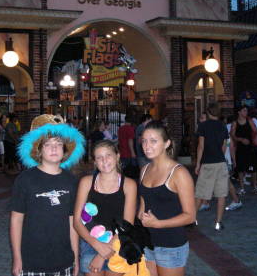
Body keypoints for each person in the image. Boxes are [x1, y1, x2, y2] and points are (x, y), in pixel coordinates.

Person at [10, 114, 86, 276]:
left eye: (58, 144)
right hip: (32, 261)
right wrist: (17, 257)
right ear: (39, 150)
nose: (54, 148)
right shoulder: (25, 180)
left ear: (64, 150)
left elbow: (73, 221)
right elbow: (16, 219)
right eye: (47, 145)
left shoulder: (71, 181)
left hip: (63, 260)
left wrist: (75, 258)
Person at [139, 121, 195, 276]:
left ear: (166, 143)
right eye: (144, 141)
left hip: (171, 244)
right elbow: (143, 205)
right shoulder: (144, 170)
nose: (147, 145)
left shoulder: (179, 173)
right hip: (148, 243)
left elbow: (190, 216)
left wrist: (158, 224)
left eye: (153, 141)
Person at [74, 140, 137, 275]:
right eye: (99, 157)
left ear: (117, 156)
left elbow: (127, 225)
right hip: (90, 242)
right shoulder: (86, 182)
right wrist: (97, 245)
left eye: (108, 155)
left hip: (118, 243)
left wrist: (102, 255)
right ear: (95, 162)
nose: (104, 160)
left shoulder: (129, 184)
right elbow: (77, 221)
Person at [194, 103, 229, 230]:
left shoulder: (203, 126)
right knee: (221, 194)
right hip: (221, 163)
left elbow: (201, 146)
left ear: (208, 113)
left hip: (208, 163)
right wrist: (220, 156)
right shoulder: (223, 126)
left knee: (200, 194)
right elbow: (224, 146)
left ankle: (192, 219)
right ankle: (218, 222)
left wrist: (198, 164)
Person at [231, 105, 257, 195]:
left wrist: (254, 135)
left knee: (253, 169)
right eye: (244, 111)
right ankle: (242, 188)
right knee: (240, 169)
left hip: (250, 148)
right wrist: (241, 139)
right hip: (240, 148)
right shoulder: (235, 123)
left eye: (246, 111)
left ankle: (254, 187)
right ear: (239, 112)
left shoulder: (249, 121)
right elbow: (232, 135)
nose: (246, 112)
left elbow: (256, 131)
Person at [224, 116, 242, 211]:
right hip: (224, 161)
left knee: (227, 182)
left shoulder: (226, 134)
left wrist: (234, 161)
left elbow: (231, 148)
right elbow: (232, 148)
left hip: (224, 162)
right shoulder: (226, 134)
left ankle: (236, 200)